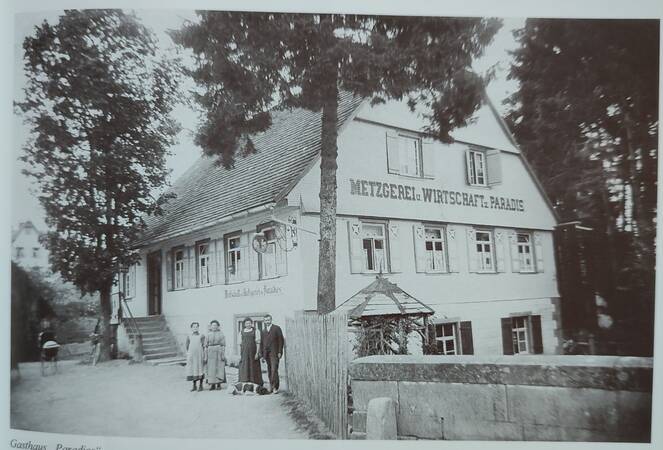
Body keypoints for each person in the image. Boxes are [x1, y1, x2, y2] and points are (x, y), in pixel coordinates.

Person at [260, 314, 285, 394]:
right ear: (264, 321)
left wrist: (280, 352)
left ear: (271, 320)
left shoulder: (276, 328)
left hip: (274, 353)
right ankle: (272, 385)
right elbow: (262, 343)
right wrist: (262, 355)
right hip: (266, 354)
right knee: (270, 370)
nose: (267, 321)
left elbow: (281, 341)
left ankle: (274, 387)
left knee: (274, 369)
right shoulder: (263, 331)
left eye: (268, 320)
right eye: (266, 320)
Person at [238, 317, 263, 386]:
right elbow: (239, 344)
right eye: (246, 323)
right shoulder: (241, 332)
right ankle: (245, 382)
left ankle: (255, 383)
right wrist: (240, 354)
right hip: (244, 353)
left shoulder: (256, 331)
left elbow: (258, 343)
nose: (248, 324)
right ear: (244, 324)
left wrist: (257, 353)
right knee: (244, 366)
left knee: (253, 366)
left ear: (251, 324)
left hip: (253, 352)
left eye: (249, 323)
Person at [205, 320, 226, 390]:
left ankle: (219, 384)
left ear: (218, 326)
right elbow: (205, 346)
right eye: (213, 325)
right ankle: (212, 384)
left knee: (219, 367)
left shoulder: (221, 334)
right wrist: (205, 355)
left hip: (219, 351)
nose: (214, 327)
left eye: (215, 325)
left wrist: (223, 354)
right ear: (210, 326)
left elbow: (223, 345)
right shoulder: (208, 334)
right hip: (210, 351)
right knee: (211, 368)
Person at [185, 322, 205, 392]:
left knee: (200, 370)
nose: (195, 328)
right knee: (193, 370)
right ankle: (194, 386)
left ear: (198, 328)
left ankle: (201, 385)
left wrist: (204, 355)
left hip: (199, 355)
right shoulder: (189, 336)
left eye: (196, 327)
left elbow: (203, 345)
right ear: (191, 328)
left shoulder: (201, 336)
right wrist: (189, 354)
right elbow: (187, 346)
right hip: (192, 356)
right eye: (194, 327)